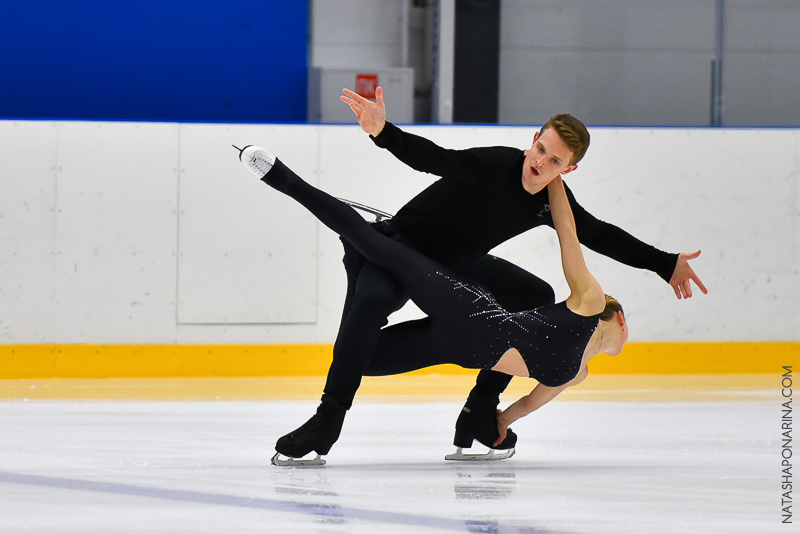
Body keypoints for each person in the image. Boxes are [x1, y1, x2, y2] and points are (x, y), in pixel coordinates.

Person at [269, 86, 707, 463]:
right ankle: (329, 418)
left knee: (534, 294)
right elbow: (434, 158)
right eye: (541, 149)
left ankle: (480, 407)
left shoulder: (550, 201)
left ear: (568, 169)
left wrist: (665, 263)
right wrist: (383, 132)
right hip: (401, 248)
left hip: (458, 263)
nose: (541, 162)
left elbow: (599, 233)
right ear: (533, 140)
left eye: (555, 161)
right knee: (369, 303)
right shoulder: (496, 163)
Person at [235, 146, 629, 466]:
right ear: (619, 319)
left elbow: (521, 408)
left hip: (456, 346)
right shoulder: (586, 317)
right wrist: (555, 177)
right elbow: (568, 231)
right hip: (472, 317)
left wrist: (496, 423)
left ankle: (473, 413)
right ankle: (280, 175)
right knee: (371, 243)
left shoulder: (579, 367)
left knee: (359, 357)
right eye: (542, 152)